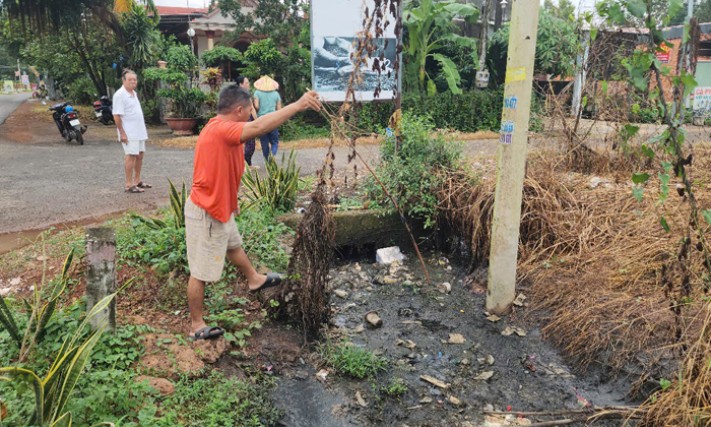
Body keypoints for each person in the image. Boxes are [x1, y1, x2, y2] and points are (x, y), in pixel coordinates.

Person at [185, 85, 321, 340]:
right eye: (250, 110)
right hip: (206, 211)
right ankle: (196, 324)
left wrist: (231, 199)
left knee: (233, 246)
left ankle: (254, 279)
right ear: (239, 110)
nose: (252, 115)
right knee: (200, 272)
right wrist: (298, 104)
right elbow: (260, 128)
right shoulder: (222, 129)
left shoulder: (224, 129)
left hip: (220, 207)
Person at [113, 69, 151, 193]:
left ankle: (137, 181)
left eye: (134, 79)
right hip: (129, 133)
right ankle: (129, 185)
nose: (133, 81)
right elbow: (117, 115)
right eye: (130, 79)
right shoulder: (120, 95)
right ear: (123, 80)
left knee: (140, 155)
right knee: (131, 156)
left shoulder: (133, 93)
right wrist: (122, 133)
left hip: (139, 131)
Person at [252, 75, 282, 160]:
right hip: (273, 120)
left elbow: (257, 106)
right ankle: (272, 155)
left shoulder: (257, 93)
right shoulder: (276, 94)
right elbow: (279, 109)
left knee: (264, 142)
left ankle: (267, 161)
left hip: (262, 120)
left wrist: (258, 108)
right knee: (275, 142)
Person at [236, 75, 257, 168]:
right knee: (247, 143)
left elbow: (252, 108)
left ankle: (248, 164)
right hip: (243, 120)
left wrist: (256, 120)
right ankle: (243, 164)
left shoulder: (247, 94)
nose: (248, 84)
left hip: (250, 119)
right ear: (240, 84)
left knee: (251, 143)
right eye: (246, 83)